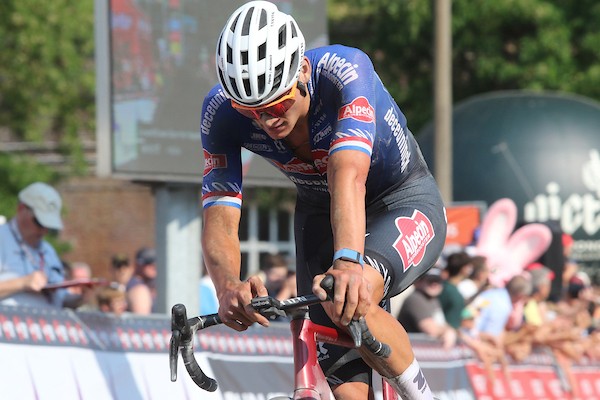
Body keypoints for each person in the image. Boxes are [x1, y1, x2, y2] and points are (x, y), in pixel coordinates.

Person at [200, 2, 447, 399]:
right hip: (319, 211)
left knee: (352, 295)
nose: (266, 121)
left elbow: (346, 173)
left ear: (301, 71)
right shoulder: (219, 113)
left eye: (277, 104)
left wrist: (348, 261)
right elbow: (220, 212)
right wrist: (228, 286)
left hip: (400, 200)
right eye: (252, 111)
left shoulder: (344, 72)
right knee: (345, 382)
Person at [0, 182, 67, 307]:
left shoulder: (48, 251)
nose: (44, 230)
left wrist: (80, 298)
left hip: (45, 323)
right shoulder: (2, 238)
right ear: (21, 209)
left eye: (49, 226)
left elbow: (61, 299)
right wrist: (22, 283)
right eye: (39, 222)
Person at [397, 267, 457, 349]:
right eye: (430, 281)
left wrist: (450, 331)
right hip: (412, 351)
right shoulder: (415, 299)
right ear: (419, 282)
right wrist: (447, 332)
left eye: (438, 281)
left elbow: (441, 323)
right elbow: (431, 329)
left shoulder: (433, 300)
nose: (434, 284)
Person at [438, 251, 472, 329]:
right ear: (464, 268)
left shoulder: (443, 286)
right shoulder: (453, 293)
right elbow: (452, 324)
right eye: (469, 266)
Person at [126, 247, 157, 314]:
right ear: (137, 265)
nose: (153, 265)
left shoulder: (149, 285)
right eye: (148, 262)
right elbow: (142, 321)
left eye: (155, 262)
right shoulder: (139, 289)